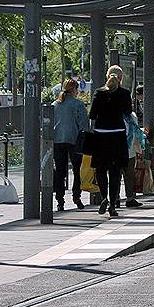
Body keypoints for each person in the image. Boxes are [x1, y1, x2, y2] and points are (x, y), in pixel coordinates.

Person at [88, 65, 133, 217]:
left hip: (101, 137)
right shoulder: (124, 93)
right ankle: (112, 205)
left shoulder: (99, 93)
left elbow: (92, 115)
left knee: (100, 169)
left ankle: (104, 197)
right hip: (117, 137)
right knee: (115, 172)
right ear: (120, 78)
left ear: (107, 76)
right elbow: (127, 111)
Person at [52, 79, 89, 211]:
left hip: (58, 141)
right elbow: (84, 124)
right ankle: (76, 198)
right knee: (77, 170)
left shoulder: (55, 104)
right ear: (74, 89)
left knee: (60, 172)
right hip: (75, 141)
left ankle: (60, 200)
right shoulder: (78, 104)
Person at [122, 112, 144, 208]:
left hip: (115, 150)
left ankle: (115, 199)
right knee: (129, 175)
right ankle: (129, 198)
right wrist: (140, 149)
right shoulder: (132, 116)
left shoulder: (111, 113)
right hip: (129, 149)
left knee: (115, 175)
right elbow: (136, 133)